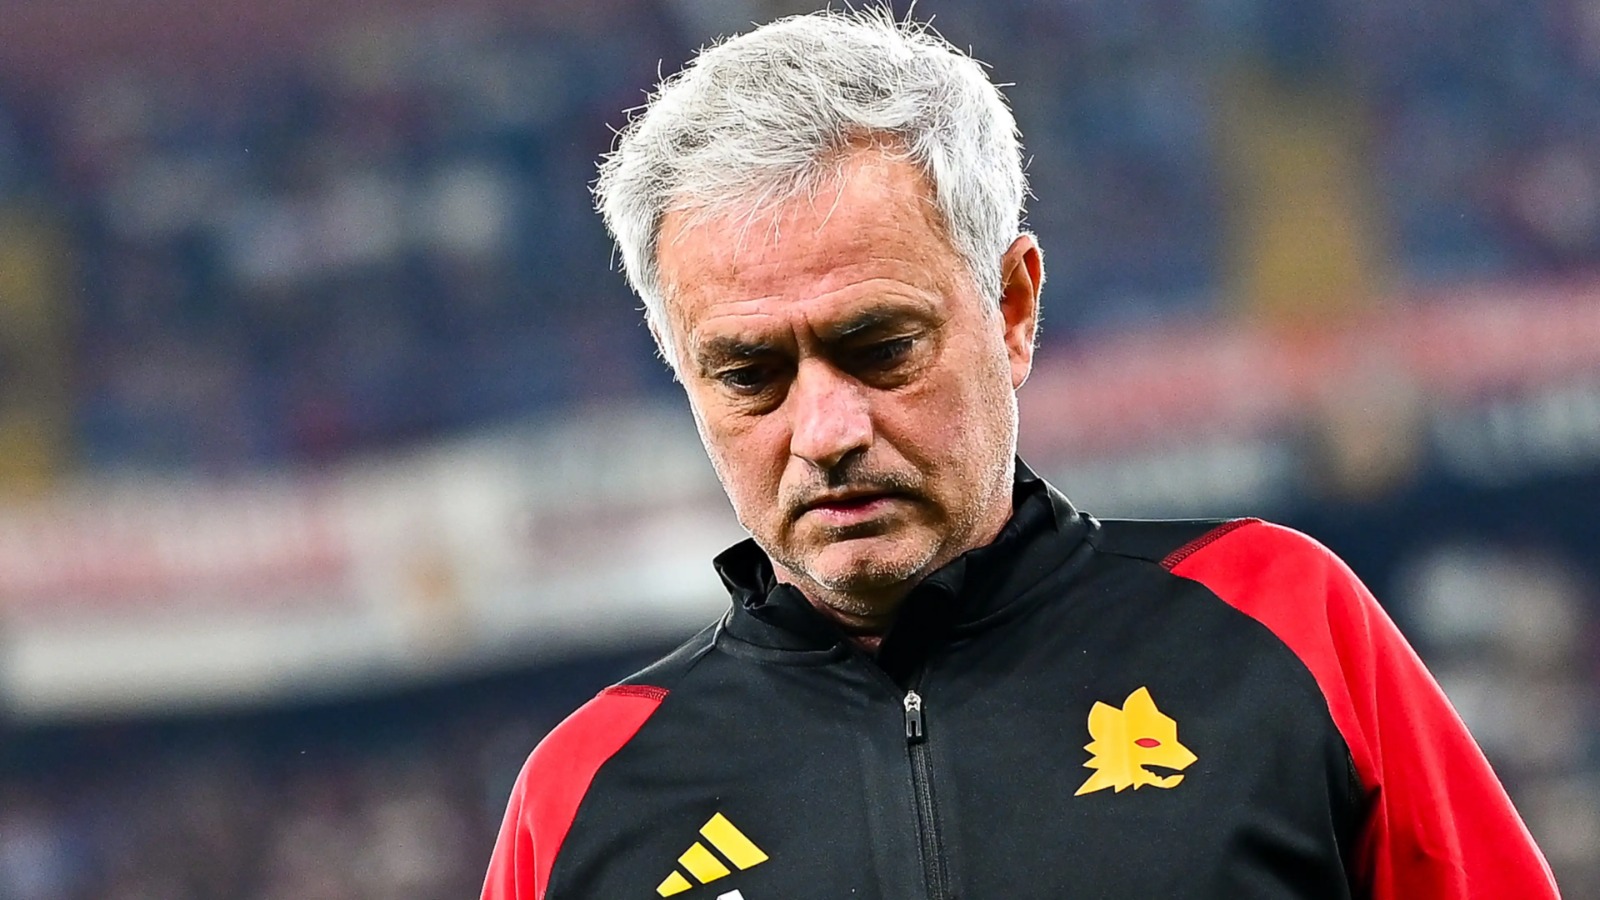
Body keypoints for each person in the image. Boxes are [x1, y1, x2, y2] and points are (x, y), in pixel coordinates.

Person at [482, 10, 1557, 899]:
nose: (826, 431)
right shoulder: (579, 803)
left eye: (881, 348)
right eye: (749, 374)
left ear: (1011, 307)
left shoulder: (1283, 621)